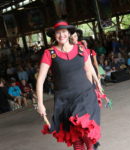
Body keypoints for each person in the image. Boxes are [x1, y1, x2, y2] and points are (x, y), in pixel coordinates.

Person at [36, 20, 103, 150]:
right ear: (54, 36)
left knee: (87, 132)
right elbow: (40, 79)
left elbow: (89, 69)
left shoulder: (81, 49)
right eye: (58, 33)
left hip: (86, 95)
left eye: (64, 32)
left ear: (69, 33)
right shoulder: (49, 53)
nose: (61, 35)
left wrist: (97, 84)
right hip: (64, 100)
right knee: (76, 138)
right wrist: (40, 103)